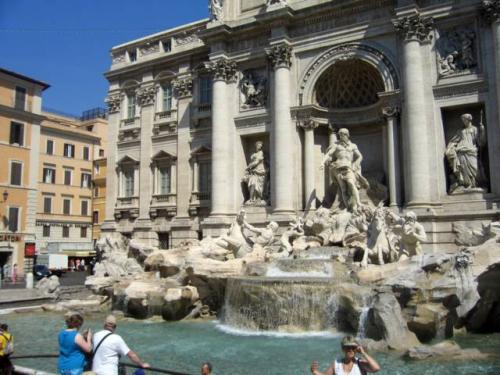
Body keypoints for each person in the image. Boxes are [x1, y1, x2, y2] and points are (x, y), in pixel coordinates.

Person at [320, 128, 369, 213]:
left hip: (348, 167)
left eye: (343, 134)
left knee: (351, 184)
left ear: (347, 135)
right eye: (340, 135)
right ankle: (348, 208)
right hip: (338, 167)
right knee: (343, 188)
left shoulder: (353, 145)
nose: (341, 136)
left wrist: (356, 163)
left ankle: (358, 203)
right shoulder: (336, 145)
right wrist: (322, 162)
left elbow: (360, 156)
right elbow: (329, 154)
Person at [445, 113, 486, 193]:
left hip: (471, 151)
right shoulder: (460, 131)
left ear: (469, 119)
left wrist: (482, 130)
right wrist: (450, 148)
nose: (464, 122)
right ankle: (466, 185)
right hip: (461, 151)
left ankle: (475, 184)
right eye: (463, 120)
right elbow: (454, 141)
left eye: (465, 120)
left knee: (474, 168)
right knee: (463, 168)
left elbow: (481, 142)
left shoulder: (475, 129)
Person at [310, 335, 380, 375]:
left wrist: (363, 353)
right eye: (347, 347)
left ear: (356, 348)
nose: (351, 350)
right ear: (343, 349)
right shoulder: (337, 363)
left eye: (353, 347)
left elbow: (376, 368)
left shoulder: (360, 363)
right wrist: (315, 371)